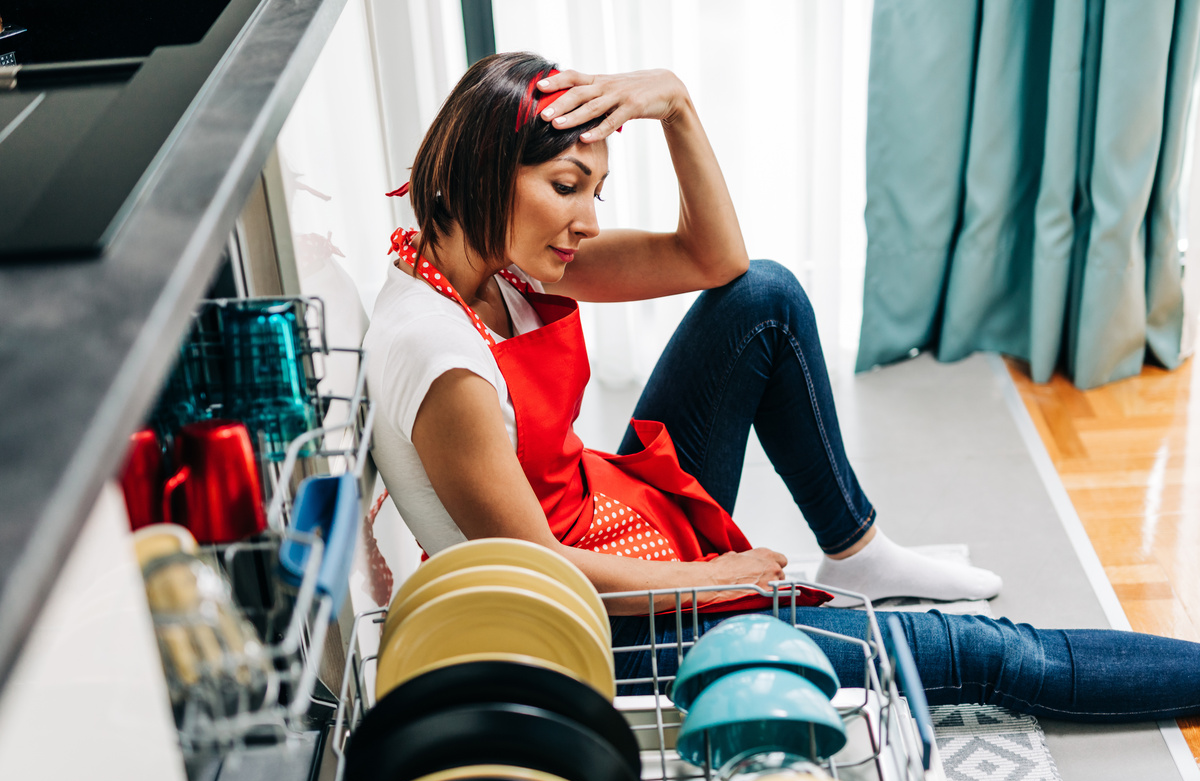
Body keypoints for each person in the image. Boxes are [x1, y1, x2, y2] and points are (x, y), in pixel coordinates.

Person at [364, 52, 1200, 720]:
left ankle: (858, 552)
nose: (587, 220)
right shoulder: (441, 357)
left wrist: (679, 106)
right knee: (981, 652)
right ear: (482, 168)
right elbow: (549, 575)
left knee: (763, 295)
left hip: (616, 518)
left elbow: (715, 262)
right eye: (566, 187)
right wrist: (729, 577)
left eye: (596, 191)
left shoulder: (490, 264)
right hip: (597, 627)